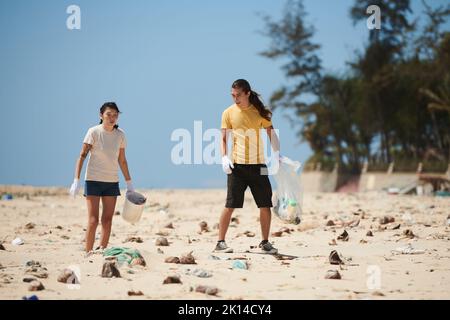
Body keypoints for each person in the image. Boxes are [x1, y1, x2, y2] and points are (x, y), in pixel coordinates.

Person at [215, 79, 281, 254]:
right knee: (230, 205)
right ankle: (220, 242)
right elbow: (223, 138)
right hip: (237, 166)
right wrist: (223, 157)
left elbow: (271, 133)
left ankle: (265, 242)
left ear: (247, 93)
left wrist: (276, 155)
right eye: (232, 95)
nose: (235, 99)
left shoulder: (260, 112)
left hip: (259, 165)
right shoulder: (228, 113)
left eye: (238, 95)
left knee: (265, 205)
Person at [69, 102, 134, 255]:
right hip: (93, 180)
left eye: (115, 115)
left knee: (107, 220)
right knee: (93, 221)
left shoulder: (121, 135)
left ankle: (102, 250)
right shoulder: (93, 132)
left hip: (111, 182)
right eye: (108, 115)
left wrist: (129, 183)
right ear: (101, 115)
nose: (112, 118)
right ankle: (88, 252)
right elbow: (82, 156)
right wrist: (76, 180)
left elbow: (122, 160)